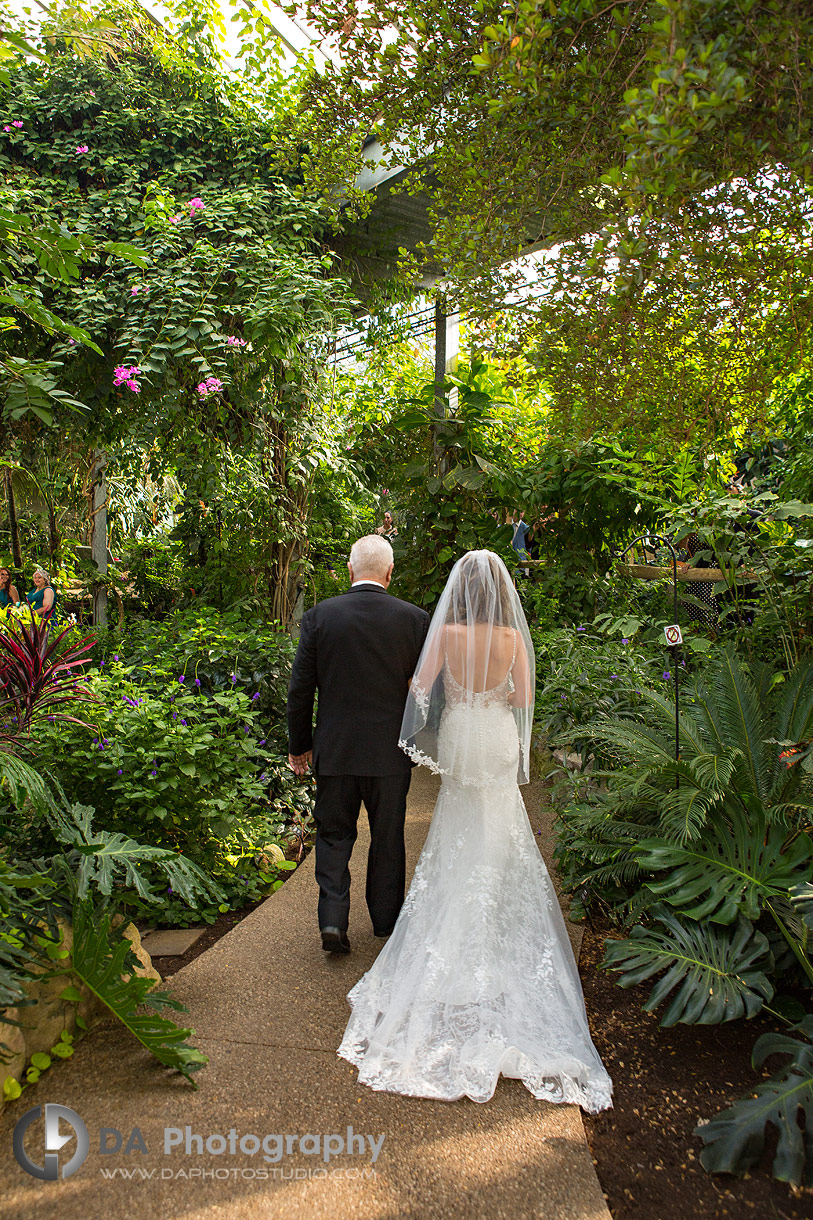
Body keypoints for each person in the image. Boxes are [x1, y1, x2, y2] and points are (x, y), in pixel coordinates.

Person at [338, 550, 613, 1109]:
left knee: (454, 829)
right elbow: (525, 699)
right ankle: (498, 936)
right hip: (496, 733)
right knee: (502, 828)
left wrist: (445, 709)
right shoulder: (513, 638)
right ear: (501, 592)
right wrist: (497, 697)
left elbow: (420, 688)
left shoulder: (450, 632)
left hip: (463, 733)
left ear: (459, 593)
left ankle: (451, 931)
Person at [287, 534, 430, 954]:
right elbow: (424, 692)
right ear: (389, 572)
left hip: (335, 751)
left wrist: (300, 747)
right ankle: (385, 924)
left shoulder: (319, 617)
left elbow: (300, 690)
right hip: (390, 753)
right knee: (388, 837)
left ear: (350, 570)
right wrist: (418, 743)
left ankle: (333, 920)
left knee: (333, 836)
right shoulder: (414, 619)